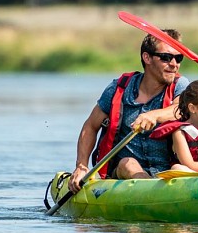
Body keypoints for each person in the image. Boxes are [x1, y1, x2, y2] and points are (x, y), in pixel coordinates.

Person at [68, 31, 189, 193]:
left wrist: (154, 115)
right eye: (166, 58)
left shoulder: (180, 85)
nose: (174, 64)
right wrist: (81, 166)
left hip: (168, 173)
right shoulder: (119, 88)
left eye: (178, 58)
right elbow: (90, 126)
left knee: (181, 168)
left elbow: (180, 110)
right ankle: (151, 193)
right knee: (128, 163)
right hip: (123, 174)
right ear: (147, 58)